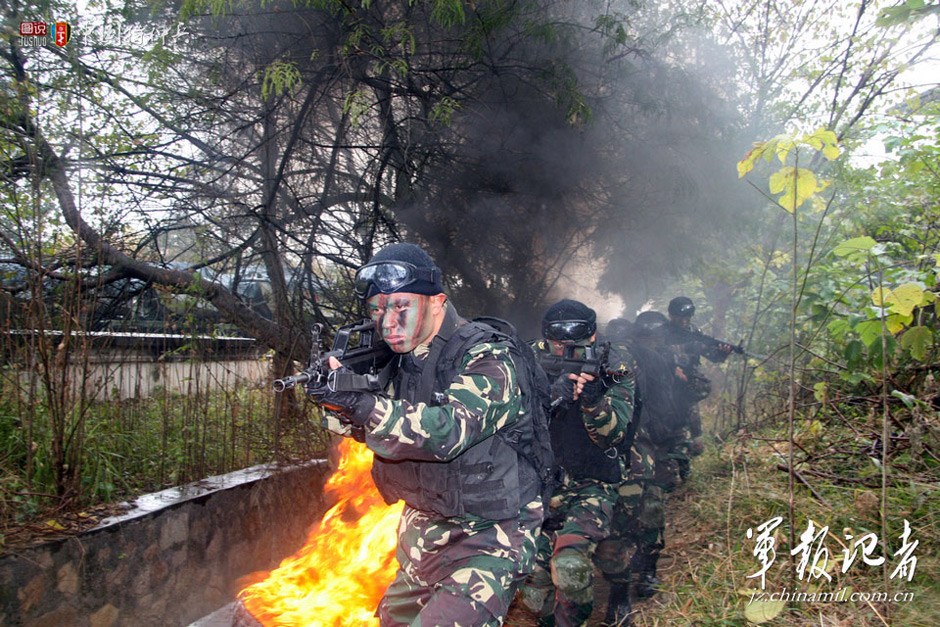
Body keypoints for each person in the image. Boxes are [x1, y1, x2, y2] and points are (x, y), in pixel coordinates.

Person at [315, 242, 547, 626]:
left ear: (437, 302)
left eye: (400, 306)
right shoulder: (398, 360)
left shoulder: (490, 356)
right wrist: (338, 401)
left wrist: (363, 404)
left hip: (493, 535)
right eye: (376, 309)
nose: (386, 321)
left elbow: (448, 429)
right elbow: (374, 429)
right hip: (425, 537)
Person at [519, 299, 636, 627]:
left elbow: (612, 434)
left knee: (572, 566)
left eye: (579, 340)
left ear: (594, 335)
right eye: (559, 341)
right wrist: (549, 396)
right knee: (532, 585)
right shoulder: (525, 359)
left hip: (593, 479)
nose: (568, 348)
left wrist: (593, 398)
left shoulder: (615, 365)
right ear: (546, 338)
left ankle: (617, 594)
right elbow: (506, 421)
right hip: (540, 483)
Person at [664, 296, 733, 475]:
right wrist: (672, 369)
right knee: (667, 426)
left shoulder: (693, 332)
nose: (684, 321)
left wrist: (722, 352)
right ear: (671, 315)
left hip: (687, 387)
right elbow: (650, 356)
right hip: (665, 386)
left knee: (691, 429)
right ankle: (669, 467)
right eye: (680, 317)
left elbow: (712, 355)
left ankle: (683, 465)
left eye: (688, 317)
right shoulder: (662, 333)